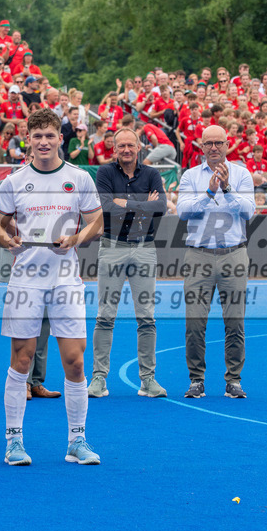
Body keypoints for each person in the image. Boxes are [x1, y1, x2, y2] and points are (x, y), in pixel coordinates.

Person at [0, 108, 104, 466]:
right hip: (26, 279)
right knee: (21, 360)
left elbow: (96, 223)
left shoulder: (79, 178)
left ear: (60, 139)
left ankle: (77, 440)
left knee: (74, 361)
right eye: (37, 136)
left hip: (66, 280)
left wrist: (76, 237)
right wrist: (7, 240)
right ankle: (13, 442)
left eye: (50, 135)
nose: (43, 142)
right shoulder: (14, 181)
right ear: (29, 139)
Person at [176, 124, 254, 400]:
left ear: (227, 144)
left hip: (234, 252)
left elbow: (248, 211)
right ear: (201, 146)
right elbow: (182, 212)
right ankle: (196, 379)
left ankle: (233, 380)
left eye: (218, 143)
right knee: (195, 322)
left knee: (235, 322)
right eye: (208, 143)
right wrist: (208, 193)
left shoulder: (242, 174)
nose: (213, 148)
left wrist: (228, 188)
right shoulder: (191, 176)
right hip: (199, 254)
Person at [89, 128, 168, 398]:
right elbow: (106, 206)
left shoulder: (152, 174)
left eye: (130, 145)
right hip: (112, 246)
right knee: (105, 315)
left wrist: (124, 202)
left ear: (139, 148)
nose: (126, 150)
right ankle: (98, 378)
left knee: (146, 317)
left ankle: (148, 380)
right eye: (121, 145)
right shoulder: (105, 173)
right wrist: (142, 202)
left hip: (144, 247)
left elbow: (161, 208)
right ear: (115, 149)